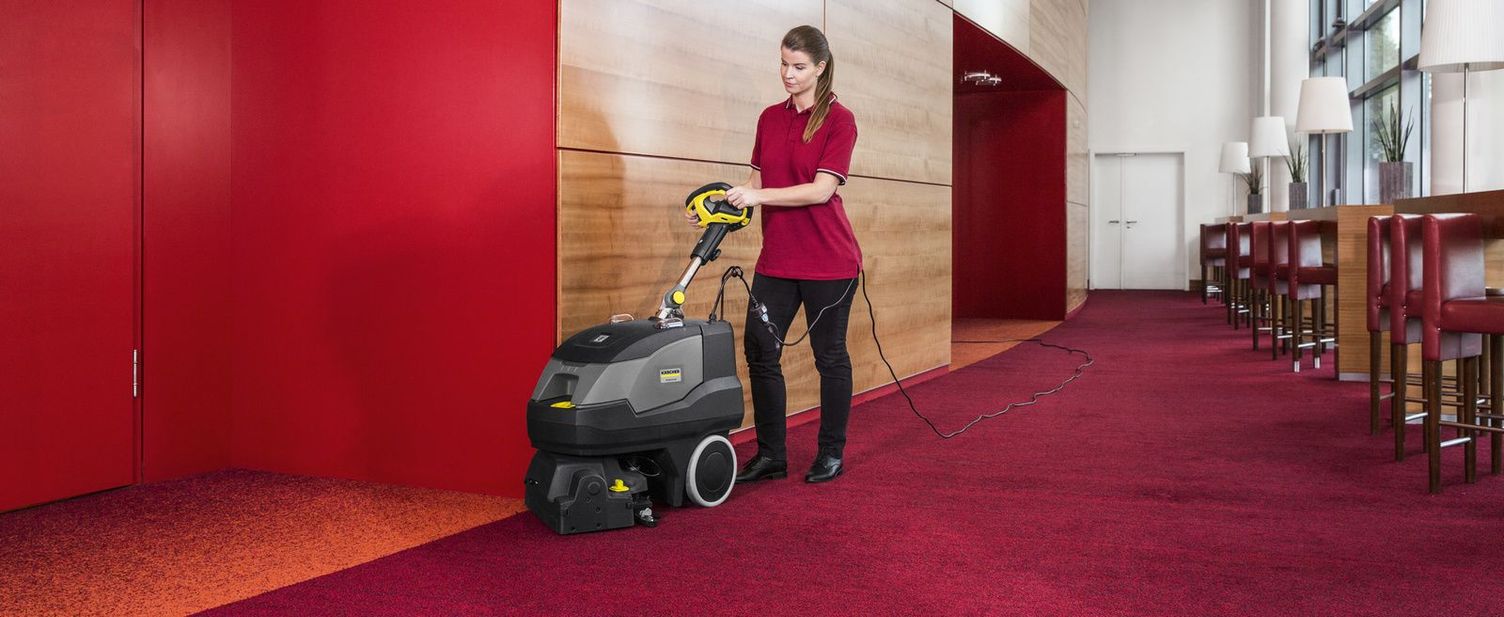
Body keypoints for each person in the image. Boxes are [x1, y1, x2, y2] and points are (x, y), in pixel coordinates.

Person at [699, 24, 862, 484]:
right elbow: (753, 188)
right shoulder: (769, 118)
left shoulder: (839, 119)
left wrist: (758, 198)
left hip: (830, 261)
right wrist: (715, 208)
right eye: (783, 64)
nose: (788, 74)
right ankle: (772, 455)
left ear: (820, 68)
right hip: (779, 259)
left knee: (829, 356)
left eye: (798, 67)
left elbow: (820, 190)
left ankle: (831, 452)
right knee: (759, 348)